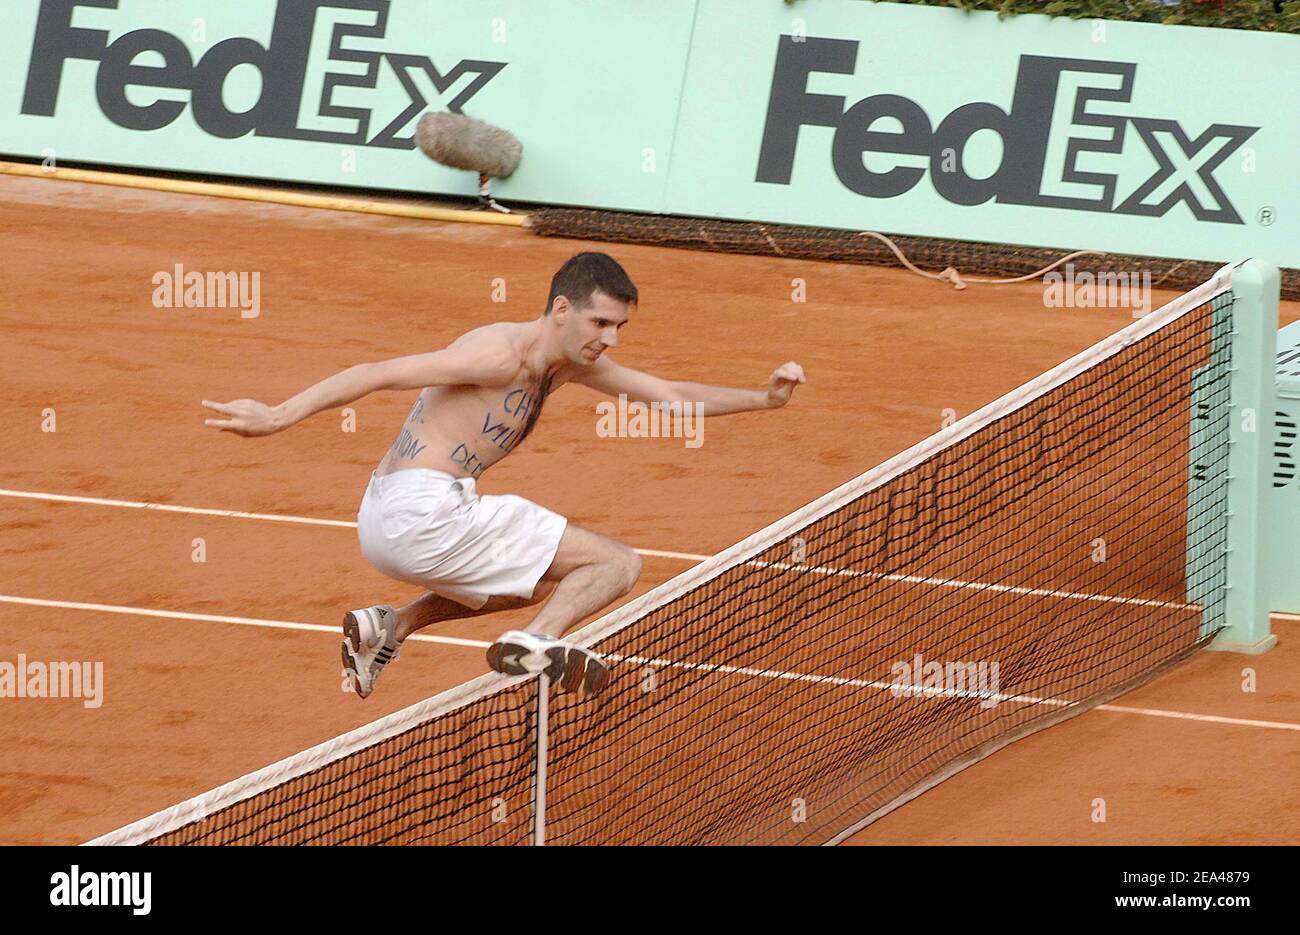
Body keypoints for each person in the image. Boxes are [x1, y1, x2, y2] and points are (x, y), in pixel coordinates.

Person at [202, 252, 805, 698]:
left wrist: (763, 399)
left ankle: (393, 625)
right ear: (562, 310)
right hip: (421, 510)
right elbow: (379, 370)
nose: (610, 338)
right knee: (616, 565)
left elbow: (667, 393)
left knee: (551, 582)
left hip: (393, 517)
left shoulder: (567, 365)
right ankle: (536, 641)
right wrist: (279, 415)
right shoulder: (499, 354)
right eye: (600, 323)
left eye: (619, 327)